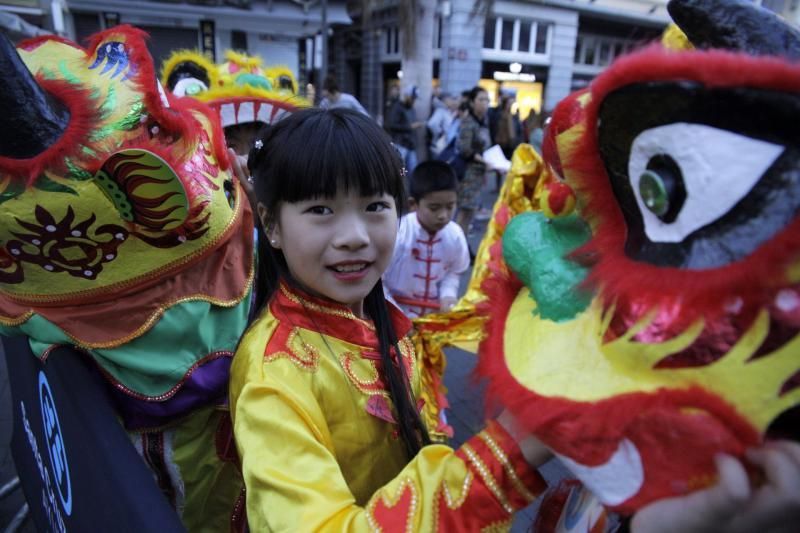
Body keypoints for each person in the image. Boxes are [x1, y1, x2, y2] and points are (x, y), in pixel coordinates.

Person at [226, 108, 800, 532]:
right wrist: (514, 445)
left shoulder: (374, 317)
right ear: (271, 226)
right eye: (321, 210)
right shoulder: (273, 373)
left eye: (374, 206)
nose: (353, 235)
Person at [383, 160, 470, 317]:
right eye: (434, 208)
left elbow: (455, 271)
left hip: (433, 316)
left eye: (450, 207)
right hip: (396, 313)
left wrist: (448, 294)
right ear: (413, 204)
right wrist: (395, 315)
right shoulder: (397, 234)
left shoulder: (455, 235)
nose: (443, 215)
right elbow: (376, 282)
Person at [455, 86, 492, 236]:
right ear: (472, 102)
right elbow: (465, 149)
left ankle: (462, 246)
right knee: (464, 212)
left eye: (487, 100)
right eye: (481, 99)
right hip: (468, 174)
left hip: (478, 174)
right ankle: (456, 245)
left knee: (470, 212)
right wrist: (484, 161)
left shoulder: (482, 121)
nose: (485, 103)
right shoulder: (468, 122)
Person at [385, 84, 422, 173]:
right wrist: (410, 127)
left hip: (410, 145)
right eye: (412, 98)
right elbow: (390, 125)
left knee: (413, 172)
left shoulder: (411, 108)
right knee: (400, 171)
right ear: (407, 96)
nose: (414, 101)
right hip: (400, 145)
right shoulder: (397, 107)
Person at [426, 92, 458, 158]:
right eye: (451, 100)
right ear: (445, 101)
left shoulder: (455, 113)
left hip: (450, 147)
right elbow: (431, 124)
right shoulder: (441, 111)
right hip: (439, 146)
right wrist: (440, 132)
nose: (453, 102)